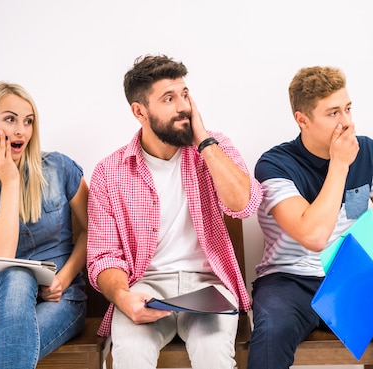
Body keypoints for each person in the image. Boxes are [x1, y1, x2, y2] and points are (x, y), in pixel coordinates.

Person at [248, 65, 373, 369]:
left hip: (352, 274)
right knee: (272, 331)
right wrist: (339, 165)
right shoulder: (274, 164)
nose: (347, 122)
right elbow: (314, 236)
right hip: (288, 280)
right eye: (333, 113)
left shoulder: (369, 152)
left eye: (348, 109)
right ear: (302, 120)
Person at [86, 54, 262, 369]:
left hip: (208, 287)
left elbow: (244, 204)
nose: (183, 106)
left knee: (214, 357)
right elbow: (103, 257)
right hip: (144, 288)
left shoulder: (214, 147)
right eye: (169, 98)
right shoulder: (109, 172)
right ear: (139, 111)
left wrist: (204, 141)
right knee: (129, 356)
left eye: (184, 94)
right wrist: (123, 297)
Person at [0, 82, 89, 369]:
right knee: (17, 275)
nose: (21, 131)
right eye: (10, 119)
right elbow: (2, 259)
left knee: (17, 342)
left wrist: (63, 277)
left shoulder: (59, 168)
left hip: (60, 297)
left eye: (28, 121)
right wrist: (10, 181)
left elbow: (93, 231)